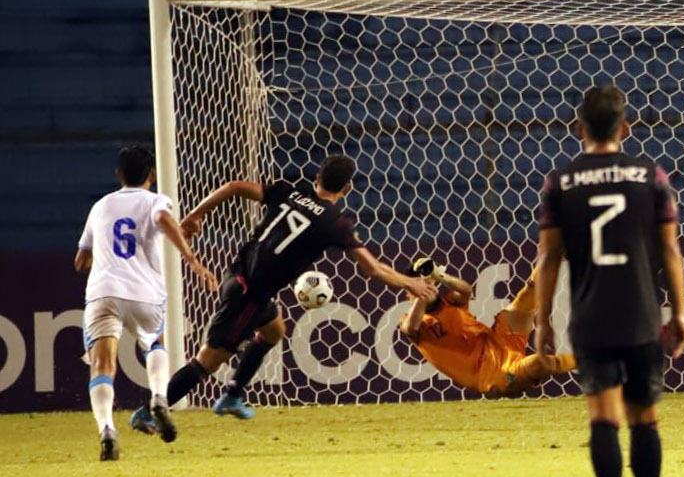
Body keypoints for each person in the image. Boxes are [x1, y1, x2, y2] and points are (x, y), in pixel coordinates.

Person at [150, 155, 436, 441]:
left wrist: (196, 215)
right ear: (347, 188)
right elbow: (373, 268)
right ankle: (149, 412)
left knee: (275, 330)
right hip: (250, 295)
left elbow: (234, 186)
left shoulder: (289, 191)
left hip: (238, 275)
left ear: (317, 178)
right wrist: (411, 282)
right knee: (207, 363)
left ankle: (233, 395)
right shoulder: (334, 223)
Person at [535, 84, 684, 477]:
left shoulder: (559, 182)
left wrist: (542, 322)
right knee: (644, 417)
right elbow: (669, 248)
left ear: (579, 128)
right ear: (625, 127)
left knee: (603, 417)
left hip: (590, 315)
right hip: (641, 314)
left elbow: (548, 259)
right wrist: (679, 313)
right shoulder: (651, 175)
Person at [75, 145, 218, 460]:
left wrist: (99, 255)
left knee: (102, 366)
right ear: (151, 175)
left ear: (119, 174)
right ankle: (157, 398)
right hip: (144, 293)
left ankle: (107, 431)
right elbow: (164, 219)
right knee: (155, 343)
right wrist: (192, 259)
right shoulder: (156, 200)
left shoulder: (100, 206)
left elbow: (80, 260)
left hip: (102, 293)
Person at [398, 258, 576, 397]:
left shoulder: (450, 302)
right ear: (408, 296)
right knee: (540, 362)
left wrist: (438, 276)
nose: (425, 289)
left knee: (526, 297)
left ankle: (557, 251)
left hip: (497, 340)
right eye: (416, 288)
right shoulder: (412, 323)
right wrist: (422, 294)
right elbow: (409, 329)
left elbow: (466, 290)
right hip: (491, 374)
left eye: (427, 285)